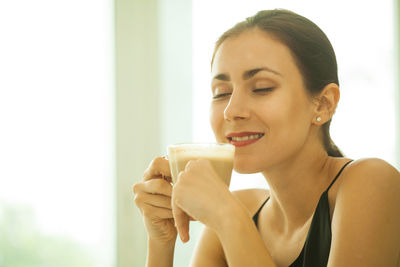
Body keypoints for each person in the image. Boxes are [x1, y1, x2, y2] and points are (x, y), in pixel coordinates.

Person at [133, 9, 400, 267]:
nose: (231, 110)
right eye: (221, 92)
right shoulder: (239, 208)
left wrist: (228, 218)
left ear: (323, 104)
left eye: (262, 88)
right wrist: (161, 243)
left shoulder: (371, 182)